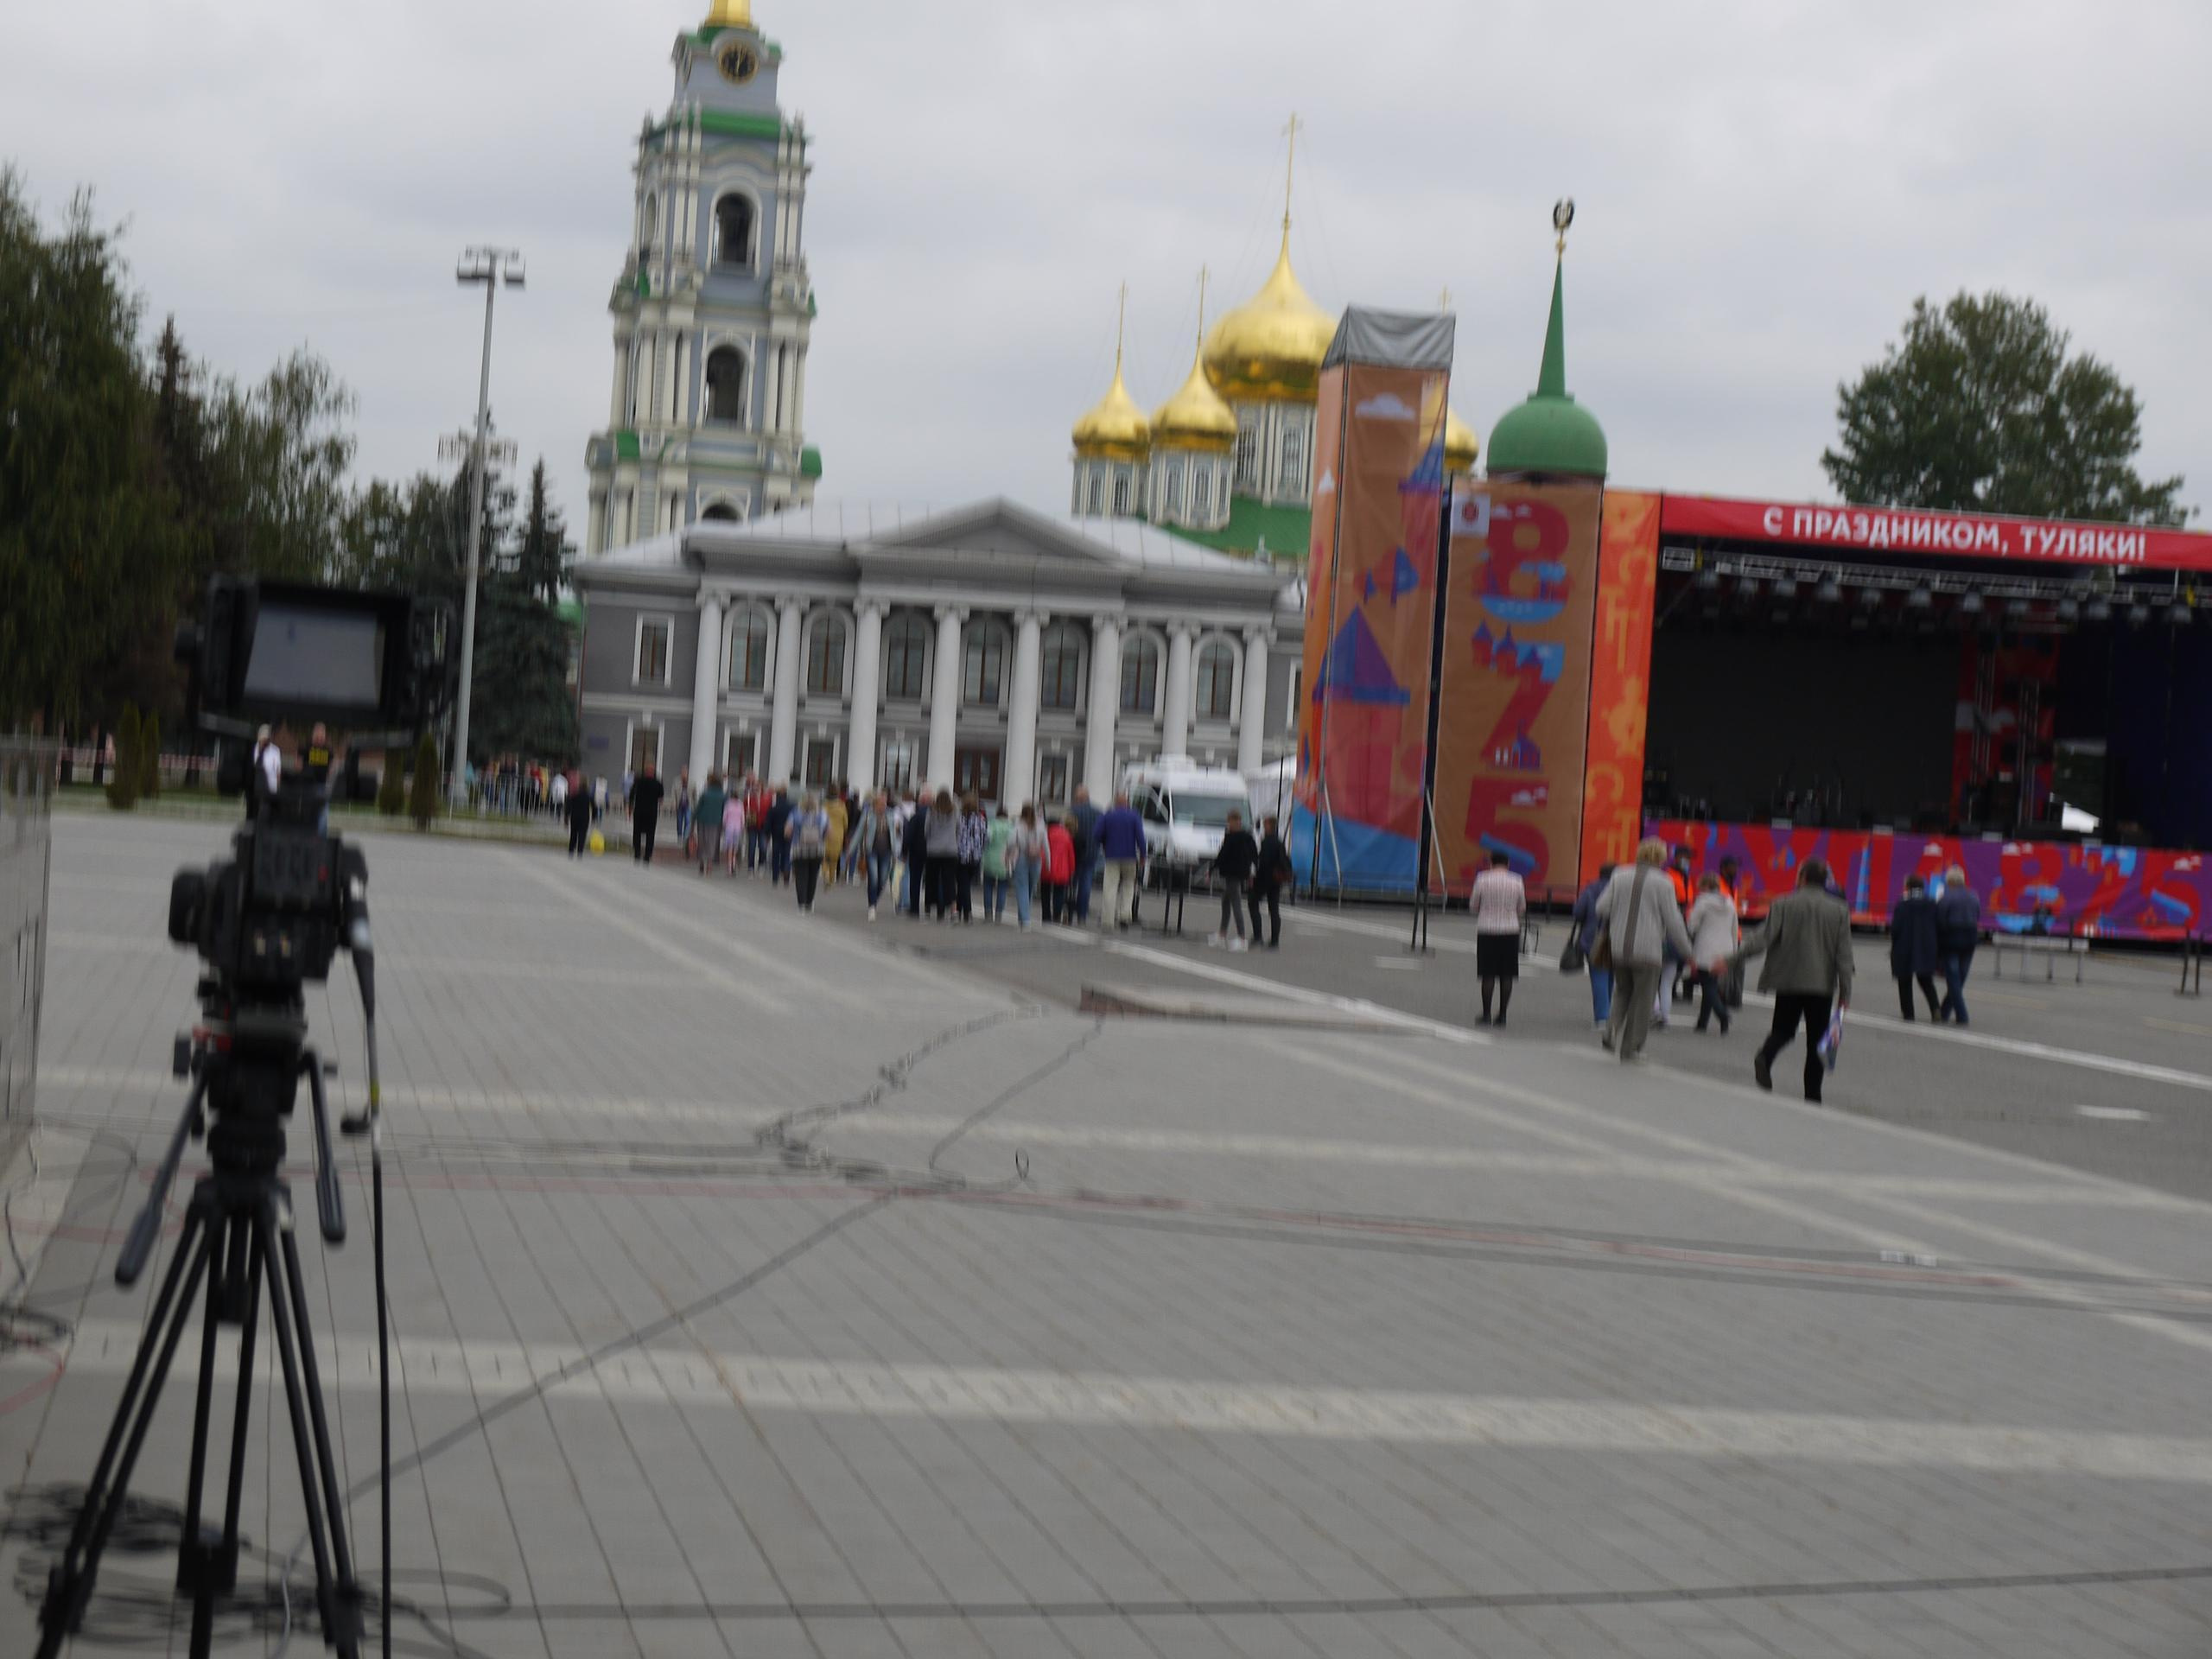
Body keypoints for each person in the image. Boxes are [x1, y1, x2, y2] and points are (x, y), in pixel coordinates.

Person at [1733, 858, 1853, 1103]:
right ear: (1825, 882)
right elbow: (1844, 955)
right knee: (1816, 1043)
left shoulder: (1783, 904)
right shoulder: (1839, 910)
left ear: (1802, 879)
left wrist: (1731, 959)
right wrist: (1845, 993)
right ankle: (1812, 1096)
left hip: (1788, 982)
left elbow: (1762, 940)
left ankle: (1765, 1057)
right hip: (1820, 987)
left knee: (1783, 1030)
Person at [1594, 838, 1696, 1062]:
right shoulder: (1664, 882)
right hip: (1648, 950)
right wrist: (1689, 953)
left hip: (1619, 947)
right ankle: (1631, 1049)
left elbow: (1601, 908)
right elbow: (1673, 921)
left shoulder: (1619, 875)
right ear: (1661, 858)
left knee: (1622, 991)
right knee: (1644, 999)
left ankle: (1611, 1029)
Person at [1471, 849, 1527, 1025]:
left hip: (1487, 929)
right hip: (1510, 930)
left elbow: (1474, 905)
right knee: (1507, 974)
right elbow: (1522, 907)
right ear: (1508, 864)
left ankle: (1486, 1014)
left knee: (1488, 974)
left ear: (1491, 863)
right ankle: (1502, 1015)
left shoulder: (1482, 879)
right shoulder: (1517, 880)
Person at [1686, 873, 1740, 1035]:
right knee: (1712, 984)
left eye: (1701, 886)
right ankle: (1702, 1022)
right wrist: (1734, 951)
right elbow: (1735, 927)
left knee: (1708, 986)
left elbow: (1691, 925)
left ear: (1706, 886)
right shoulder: (1729, 902)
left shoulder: (1703, 902)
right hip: (1725, 949)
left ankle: (1723, 1015)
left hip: (1706, 948)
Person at [1570, 864, 1618, 1037]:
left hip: (1593, 939)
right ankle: (1610, 1012)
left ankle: (1602, 1018)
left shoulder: (1590, 889)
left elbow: (1578, 912)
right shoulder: (1621, 889)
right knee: (1612, 977)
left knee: (1599, 976)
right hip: (1617, 938)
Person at [1889, 875, 1943, 1020]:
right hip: (1926, 946)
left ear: (1908, 887)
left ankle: (1908, 1013)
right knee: (1926, 980)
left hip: (1905, 946)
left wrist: (1894, 944)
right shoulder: (1931, 903)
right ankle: (1935, 1008)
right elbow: (1938, 925)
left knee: (1904, 980)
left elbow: (1896, 928)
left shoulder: (1902, 904)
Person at [1934, 866, 1982, 1025]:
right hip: (1970, 939)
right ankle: (1944, 1011)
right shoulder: (1973, 896)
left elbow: (1939, 921)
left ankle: (1962, 1016)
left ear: (1949, 881)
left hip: (1951, 940)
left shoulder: (1945, 898)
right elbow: (1977, 915)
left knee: (1953, 978)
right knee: (1960, 978)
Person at [1095, 791, 1147, 929]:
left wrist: (1104, 843)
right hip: (1130, 857)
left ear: (1115, 802)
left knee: (1110, 887)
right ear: (1127, 802)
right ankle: (1125, 916)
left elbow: (1097, 834)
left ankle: (1108, 920)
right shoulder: (1134, 816)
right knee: (1129, 886)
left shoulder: (1107, 816)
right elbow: (1141, 837)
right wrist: (1143, 855)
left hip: (1112, 856)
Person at [1212, 810, 1259, 952]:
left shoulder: (1231, 837)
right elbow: (1254, 856)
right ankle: (1222, 934)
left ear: (1233, 822)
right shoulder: (1248, 837)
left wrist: (1212, 868)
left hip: (1232, 873)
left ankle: (1241, 937)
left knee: (1236, 903)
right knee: (1225, 900)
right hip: (1242, 872)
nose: (1230, 824)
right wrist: (1253, 872)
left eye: (1230, 822)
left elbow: (1222, 854)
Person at [1248, 815, 1292, 949]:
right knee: (1274, 909)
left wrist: (1254, 877)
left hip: (1264, 879)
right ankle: (1274, 941)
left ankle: (1258, 936)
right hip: (1276, 880)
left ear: (1269, 826)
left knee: (1253, 903)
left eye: (1265, 825)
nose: (1263, 827)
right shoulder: (1279, 842)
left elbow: (1263, 863)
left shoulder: (1267, 842)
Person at [923, 789, 962, 920]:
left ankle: (928, 909)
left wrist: (930, 839)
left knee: (931, 880)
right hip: (950, 851)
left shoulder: (931, 811)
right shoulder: (955, 812)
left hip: (933, 851)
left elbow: (926, 830)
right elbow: (959, 829)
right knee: (950, 882)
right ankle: (953, 911)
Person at [790, 792, 830, 912]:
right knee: (813, 876)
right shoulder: (822, 814)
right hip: (817, 850)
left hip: (799, 850)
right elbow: (829, 832)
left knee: (801, 876)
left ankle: (801, 903)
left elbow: (787, 830)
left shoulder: (796, 813)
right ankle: (809, 902)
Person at [1069, 786, 1102, 924]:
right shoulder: (1098, 812)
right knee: (1086, 883)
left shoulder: (1073, 811)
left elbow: (1068, 831)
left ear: (1078, 798)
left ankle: (1069, 911)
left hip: (1074, 853)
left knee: (1071, 883)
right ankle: (1082, 914)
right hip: (1092, 852)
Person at [1011, 804, 1047, 929]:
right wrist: (1048, 863)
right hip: (1037, 860)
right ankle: (1023, 917)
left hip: (1022, 858)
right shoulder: (1041, 826)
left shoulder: (1019, 825)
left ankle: (1025, 920)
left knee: (1022, 889)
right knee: (1029, 890)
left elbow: (1011, 842)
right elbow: (1046, 846)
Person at [957, 792, 988, 923]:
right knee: (965, 884)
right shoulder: (981, 820)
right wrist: (980, 850)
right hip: (975, 857)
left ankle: (967, 912)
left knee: (962, 884)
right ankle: (959, 910)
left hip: (961, 855)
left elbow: (957, 836)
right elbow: (985, 839)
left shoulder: (960, 818)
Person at [982, 806, 1015, 923]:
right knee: (1002, 887)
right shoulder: (1011, 826)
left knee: (988, 886)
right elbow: (1013, 843)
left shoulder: (992, 824)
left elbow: (987, 839)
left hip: (990, 858)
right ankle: (999, 913)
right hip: (1004, 859)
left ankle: (988, 912)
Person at [901, 791, 931, 918]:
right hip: (932, 852)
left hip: (916, 852)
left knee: (915, 880)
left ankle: (914, 909)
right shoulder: (936, 815)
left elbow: (908, 835)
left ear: (921, 801)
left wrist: (904, 851)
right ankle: (928, 907)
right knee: (930, 880)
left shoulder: (916, 816)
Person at [1044, 810, 1077, 923]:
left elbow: (1041, 852)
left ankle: (1046, 915)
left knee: (1045, 892)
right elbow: (1070, 854)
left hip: (1046, 868)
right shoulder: (1066, 836)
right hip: (1062, 869)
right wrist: (1072, 869)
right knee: (1059, 892)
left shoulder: (1046, 834)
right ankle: (1057, 915)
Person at [629, 760, 664, 863]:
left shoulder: (638, 781)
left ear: (645, 772)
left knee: (637, 832)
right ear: (653, 772)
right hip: (651, 812)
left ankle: (637, 853)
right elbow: (661, 799)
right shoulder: (658, 783)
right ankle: (647, 855)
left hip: (639, 811)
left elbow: (632, 795)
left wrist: (630, 807)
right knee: (650, 833)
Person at [693, 771, 728, 875]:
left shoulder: (705, 794)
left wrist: (693, 818)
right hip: (716, 822)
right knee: (712, 843)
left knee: (702, 841)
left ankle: (701, 862)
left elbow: (698, 808)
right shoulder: (723, 796)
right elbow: (725, 810)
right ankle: (709, 865)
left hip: (702, 820)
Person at [766, 785, 794, 886]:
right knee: (787, 854)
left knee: (776, 855)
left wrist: (767, 834)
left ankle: (775, 877)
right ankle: (786, 870)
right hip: (789, 833)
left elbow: (768, 823)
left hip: (776, 834)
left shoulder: (774, 808)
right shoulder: (792, 807)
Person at [564, 767, 594, 858]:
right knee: (582, 834)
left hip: (575, 816)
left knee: (573, 834)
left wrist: (566, 816)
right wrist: (594, 817)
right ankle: (580, 851)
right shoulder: (589, 796)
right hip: (585, 817)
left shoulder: (574, 794)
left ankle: (571, 850)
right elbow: (594, 807)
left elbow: (569, 805)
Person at [823, 788, 849, 890]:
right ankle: (830, 880)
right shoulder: (841, 806)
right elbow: (846, 823)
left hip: (826, 834)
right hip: (838, 835)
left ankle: (825, 873)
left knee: (825, 857)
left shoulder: (824, 805)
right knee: (834, 859)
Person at [721, 781, 746, 876]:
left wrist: (724, 826)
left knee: (729, 848)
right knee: (735, 848)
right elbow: (742, 818)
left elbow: (724, 817)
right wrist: (742, 827)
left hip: (729, 828)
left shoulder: (728, 804)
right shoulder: (740, 804)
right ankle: (733, 864)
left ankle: (729, 867)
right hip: (738, 829)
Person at [673, 766, 695, 855]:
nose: (684, 774)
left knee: (688, 821)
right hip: (679, 805)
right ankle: (679, 835)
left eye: (685, 773)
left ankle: (685, 838)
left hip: (688, 805)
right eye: (683, 773)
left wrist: (695, 805)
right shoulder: (676, 781)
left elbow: (694, 794)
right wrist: (674, 804)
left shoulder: (692, 783)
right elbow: (673, 793)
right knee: (679, 821)